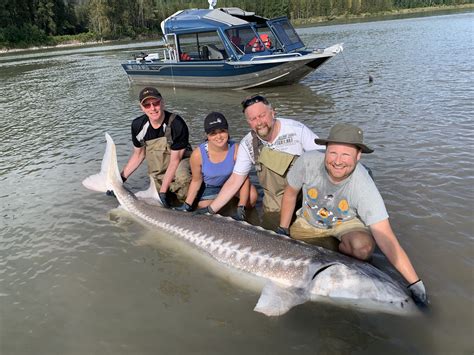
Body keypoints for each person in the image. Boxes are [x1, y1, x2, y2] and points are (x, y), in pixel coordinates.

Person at [277, 123, 428, 306]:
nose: (338, 161)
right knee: (290, 256)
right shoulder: (308, 161)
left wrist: (415, 284)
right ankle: (331, 252)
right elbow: (290, 194)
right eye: (333, 153)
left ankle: (339, 254)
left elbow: (385, 235)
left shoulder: (363, 184)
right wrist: (282, 231)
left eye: (346, 154)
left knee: (363, 248)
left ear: (358, 156)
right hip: (309, 221)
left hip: (345, 222)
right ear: (325, 151)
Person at [199, 94, 324, 216]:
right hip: (276, 199)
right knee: (272, 221)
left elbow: (324, 157)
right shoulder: (247, 144)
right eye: (253, 119)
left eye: (262, 115)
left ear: (273, 113)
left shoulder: (296, 130)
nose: (259, 122)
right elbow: (236, 180)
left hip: (306, 190)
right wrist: (211, 209)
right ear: (248, 122)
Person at [176, 112, 257, 220]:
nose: (219, 137)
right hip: (210, 186)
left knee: (251, 198)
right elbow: (196, 181)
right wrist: (187, 205)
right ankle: (226, 201)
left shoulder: (236, 148)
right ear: (207, 135)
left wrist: (241, 206)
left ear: (227, 131)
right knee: (206, 213)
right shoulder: (197, 154)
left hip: (232, 183)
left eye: (222, 131)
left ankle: (237, 206)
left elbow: (245, 179)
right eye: (213, 133)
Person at [120, 87, 192, 208]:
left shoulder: (176, 123)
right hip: (160, 165)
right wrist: (120, 180)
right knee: (157, 198)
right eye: (147, 105)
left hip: (180, 160)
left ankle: (185, 204)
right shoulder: (138, 126)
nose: (153, 108)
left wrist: (163, 192)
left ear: (162, 102)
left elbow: (175, 161)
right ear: (141, 107)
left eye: (156, 103)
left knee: (183, 179)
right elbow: (138, 155)